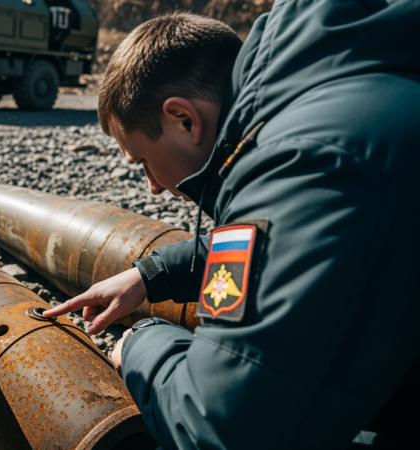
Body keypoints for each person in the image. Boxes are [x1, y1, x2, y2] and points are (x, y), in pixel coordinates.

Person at [45, 3, 420, 449]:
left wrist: (140, 343)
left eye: (143, 161)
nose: (152, 189)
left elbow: (221, 428)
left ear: (184, 119)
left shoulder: (304, 162)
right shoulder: (326, 97)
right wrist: (150, 275)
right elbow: (283, 239)